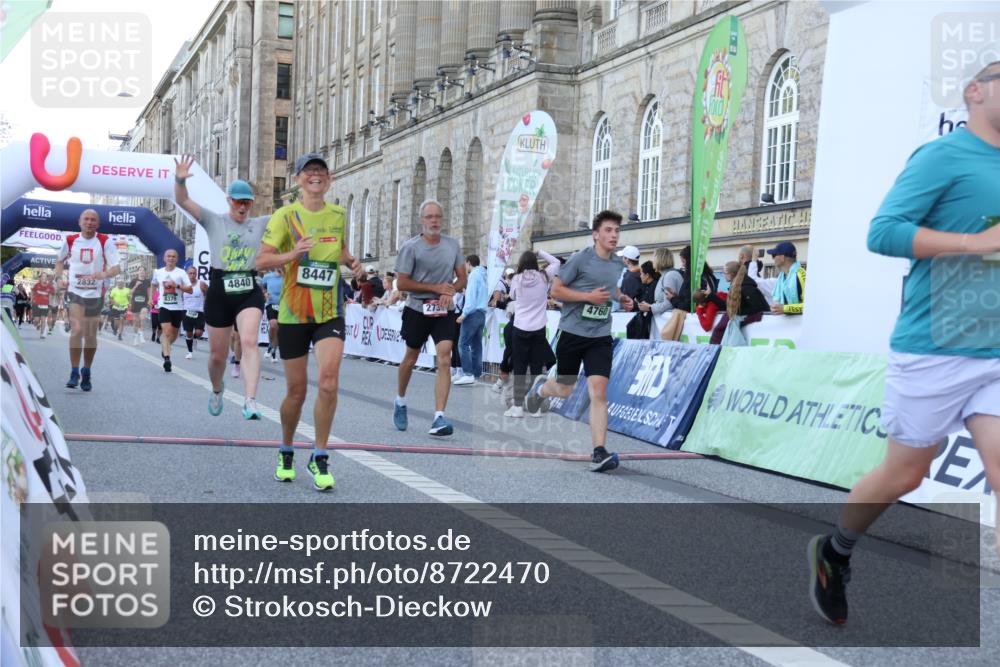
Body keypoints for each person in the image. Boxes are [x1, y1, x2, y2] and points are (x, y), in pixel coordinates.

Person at [807, 60, 1000, 626]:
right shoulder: (944, 155)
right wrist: (976, 243)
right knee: (906, 473)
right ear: (975, 91)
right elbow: (883, 232)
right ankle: (836, 549)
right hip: (935, 347)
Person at [258, 152, 364, 491]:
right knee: (297, 392)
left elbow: (340, 248)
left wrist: (353, 262)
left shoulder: (337, 214)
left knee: (329, 382)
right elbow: (261, 260)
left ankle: (320, 456)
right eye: (309, 171)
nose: (315, 176)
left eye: (321, 171)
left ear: (328, 179)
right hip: (293, 312)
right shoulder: (285, 216)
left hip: (329, 310)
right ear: (299, 179)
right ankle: (286, 449)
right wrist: (292, 254)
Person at [525, 210, 634, 472]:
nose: (614, 235)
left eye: (617, 231)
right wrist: (587, 298)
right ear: (595, 234)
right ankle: (540, 390)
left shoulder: (617, 263)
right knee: (565, 389)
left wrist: (621, 298)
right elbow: (556, 290)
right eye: (608, 230)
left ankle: (599, 451)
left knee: (598, 392)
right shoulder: (580, 260)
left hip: (600, 336)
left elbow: (612, 289)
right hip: (573, 333)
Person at [174, 156, 271, 419]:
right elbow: (182, 200)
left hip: (248, 287)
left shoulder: (260, 223)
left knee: (250, 342)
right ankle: (217, 389)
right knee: (217, 356)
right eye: (238, 200)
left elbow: (290, 221)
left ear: (251, 203)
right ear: (229, 200)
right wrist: (180, 179)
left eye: (247, 201)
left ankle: (250, 400)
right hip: (219, 289)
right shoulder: (214, 220)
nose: (242, 206)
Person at [392, 199, 467, 436]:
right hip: (417, 308)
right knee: (411, 358)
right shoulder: (411, 247)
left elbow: (462, 278)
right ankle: (400, 400)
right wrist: (436, 288)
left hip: (444, 310)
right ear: (422, 220)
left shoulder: (452, 245)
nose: (434, 221)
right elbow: (401, 282)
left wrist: (450, 291)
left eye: (438, 217)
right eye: (430, 217)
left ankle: (439, 418)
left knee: (445, 358)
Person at [54, 208, 122, 391]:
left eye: (93, 220)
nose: (89, 222)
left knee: (90, 335)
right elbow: (59, 261)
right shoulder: (70, 240)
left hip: (94, 294)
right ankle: (74, 371)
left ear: (97, 224)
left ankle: (87, 371)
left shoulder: (104, 241)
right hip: (76, 292)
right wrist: (59, 277)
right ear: (80, 222)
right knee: (76, 330)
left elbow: (117, 268)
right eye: (86, 219)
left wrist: (104, 273)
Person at [505, 249, 560, 417]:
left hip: (520, 326)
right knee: (537, 367)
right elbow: (556, 262)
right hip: (539, 327)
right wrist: (541, 252)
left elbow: (512, 295)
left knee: (520, 367)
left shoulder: (516, 278)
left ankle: (518, 407)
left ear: (521, 263)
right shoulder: (544, 276)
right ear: (535, 262)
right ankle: (535, 405)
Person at [149, 249, 192, 373]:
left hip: (178, 308)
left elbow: (190, 289)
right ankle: (167, 359)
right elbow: (153, 284)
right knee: (167, 333)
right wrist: (152, 298)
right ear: (164, 258)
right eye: (169, 256)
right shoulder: (158, 272)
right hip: (164, 307)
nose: (171, 258)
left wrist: (176, 285)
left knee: (174, 335)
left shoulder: (181, 273)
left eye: (173, 256)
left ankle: (165, 348)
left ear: (176, 259)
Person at [707, 261, 769, 345]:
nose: (724, 275)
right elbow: (728, 306)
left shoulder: (747, 288)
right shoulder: (736, 285)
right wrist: (711, 296)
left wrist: (737, 312)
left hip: (761, 323)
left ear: (732, 274)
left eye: (725, 273)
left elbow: (757, 307)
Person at [454, 254, 488, 386]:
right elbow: (478, 294)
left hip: (472, 313)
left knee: (462, 344)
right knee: (476, 346)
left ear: (468, 263)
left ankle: (468, 373)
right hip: (481, 313)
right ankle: (476, 375)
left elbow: (472, 299)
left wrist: (464, 314)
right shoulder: (484, 275)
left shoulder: (473, 275)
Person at [639, 248, 684, 331]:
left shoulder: (669, 276)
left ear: (660, 259)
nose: (653, 261)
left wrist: (650, 307)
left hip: (668, 325)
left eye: (654, 258)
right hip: (665, 323)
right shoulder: (666, 275)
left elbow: (669, 304)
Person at [768, 241, 806, 315]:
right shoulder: (782, 276)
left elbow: (811, 306)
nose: (773, 259)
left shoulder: (801, 275)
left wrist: (784, 308)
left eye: (774, 255)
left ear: (782, 258)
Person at [626, 260, 660, 340]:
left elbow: (649, 304)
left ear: (647, 275)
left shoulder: (655, 286)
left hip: (651, 325)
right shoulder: (643, 286)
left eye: (641, 273)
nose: (640, 275)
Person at [182, 266, 208, 359]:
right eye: (190, 273)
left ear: (196, 274)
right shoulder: (183, 285)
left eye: (194, 273)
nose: (192, 275)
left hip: (199, 311)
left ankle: (195, 338)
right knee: (188, 333)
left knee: (199, 333)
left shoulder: (201, 284)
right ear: (187, 274)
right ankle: (189, 352)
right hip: (187, 311)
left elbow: (208, 293)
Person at [261, 267, 284, 362]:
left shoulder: (287, 277)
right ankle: (271, 346)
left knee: (278, 329)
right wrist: (265, 293)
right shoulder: (268, 276)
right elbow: (262, 287)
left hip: (283, 305)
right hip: (271, 304)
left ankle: (273, 350)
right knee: (273, 325)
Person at [30, 272, 56, 339]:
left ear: (46, 278)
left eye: (45, 277)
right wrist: (31, 299)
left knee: (43, 319)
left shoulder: (49, 286)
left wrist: (52, 301)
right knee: (36, 320)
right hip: (36, 304)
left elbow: (53, 294)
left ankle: (42, 334)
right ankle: (37, 324)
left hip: (45, 305)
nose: (44, 278)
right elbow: (32, 292)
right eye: (42, 276)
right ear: (40, 278)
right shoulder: (37, 285)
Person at [128, 267, 151, 346]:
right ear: (138, 272)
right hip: (135, 303)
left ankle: (141, 333)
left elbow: (149, 291)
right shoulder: (133, 281)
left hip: (144, 302)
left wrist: (150, 300)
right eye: (140, 270)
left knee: (143, 317)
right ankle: (135, 337)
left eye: (143, 270)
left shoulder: (147, 281)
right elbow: (130, 292)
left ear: (145, 272)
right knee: (136, 321)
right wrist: (136, 285)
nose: (142, 272)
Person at [617, 245, 643, 310]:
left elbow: (626, 301)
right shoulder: (642, 273)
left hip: (631, 315)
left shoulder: (630, 277)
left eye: (623, 257)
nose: (622, 259)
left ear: (627, 260)